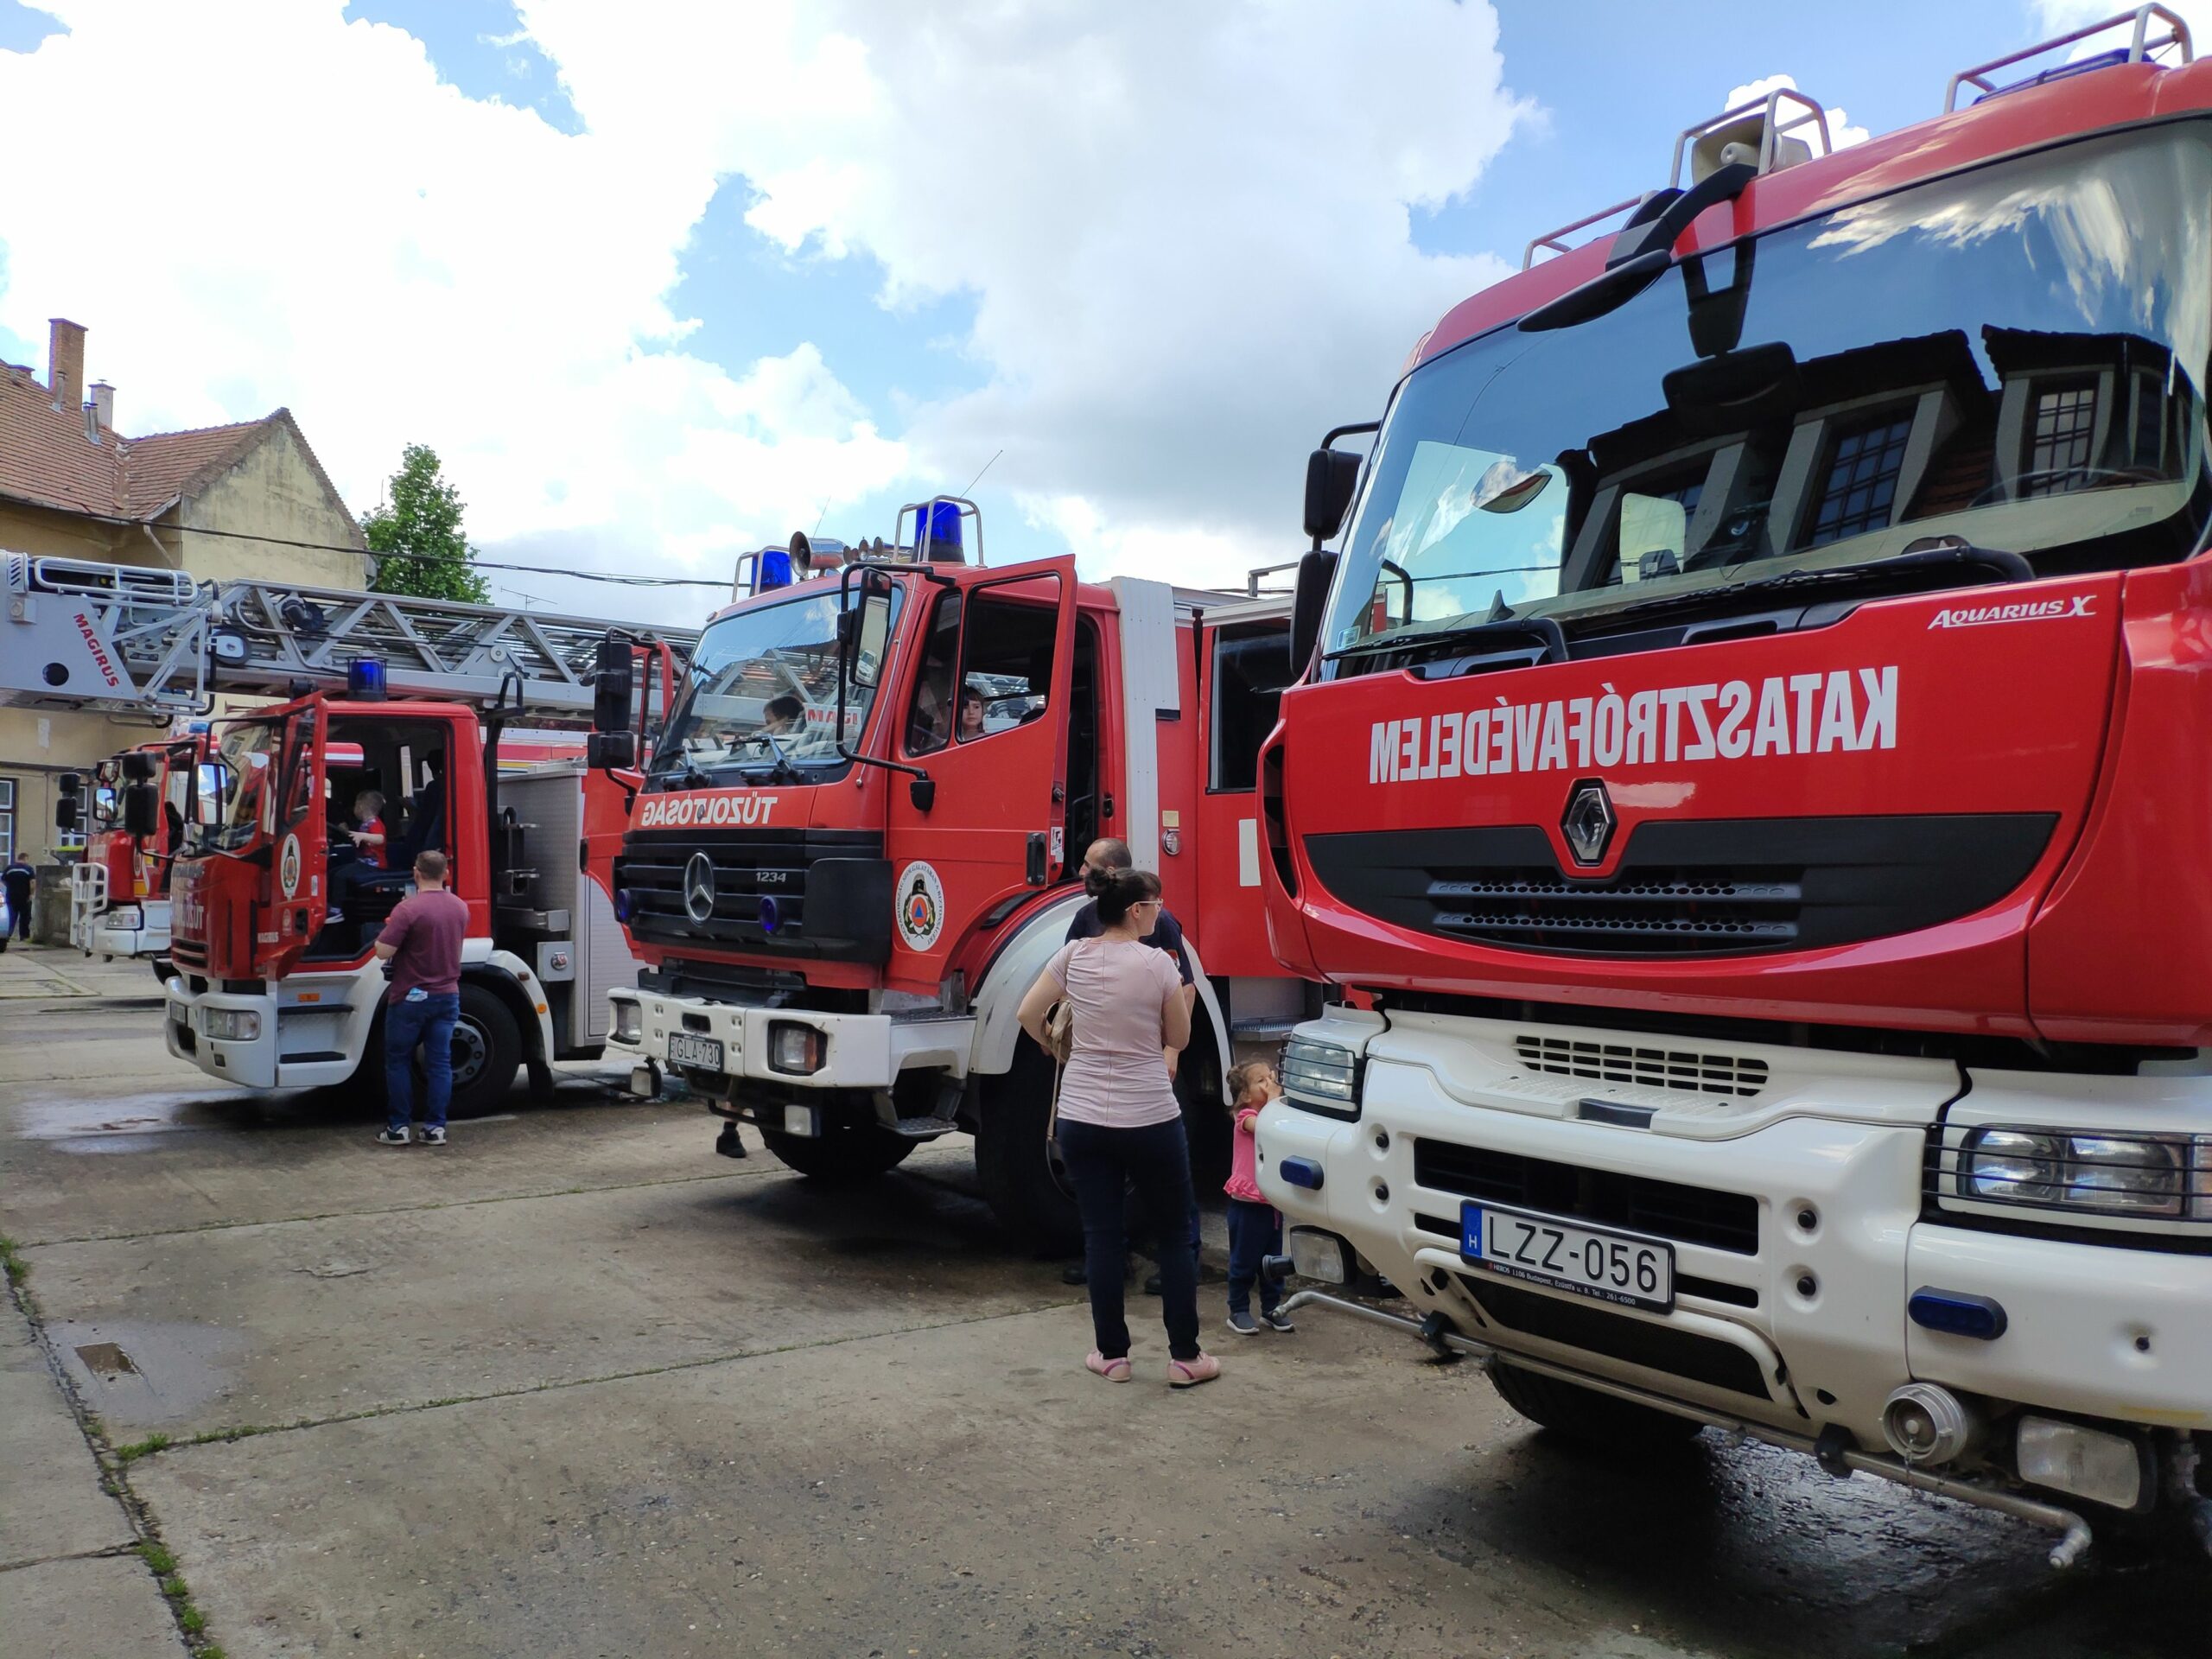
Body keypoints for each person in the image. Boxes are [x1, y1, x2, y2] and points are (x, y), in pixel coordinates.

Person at [1020, 868, 1220, 1388]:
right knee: (1176, 1233)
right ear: (1137, 911)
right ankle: (1185, 1358)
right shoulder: (1156, 963)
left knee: (1101, 1235)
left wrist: (1052, 1041)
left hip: (1082, 1116)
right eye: (1156, 905)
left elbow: (1026, 1011)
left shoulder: (1073, 955)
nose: (1160, 913)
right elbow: (1178, 1032)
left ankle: (1112, 1355)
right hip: (1149, 1115)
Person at [1060, 837, 1200, 1296]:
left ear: (1111, 870)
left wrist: (1172, 1054)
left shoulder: (1161, 923)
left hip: (1152, 1064)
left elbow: (1185, 988)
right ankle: (1110, 1258)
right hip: (1101, 1070)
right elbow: (1068, 989)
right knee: (1106, 1180)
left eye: (1088, 865)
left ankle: (1181, 1257)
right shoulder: (1085, 919)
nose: (1081, 872)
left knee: (1167, 1176)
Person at [372, 849, 468, 1147]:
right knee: (440, 1062)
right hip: (447, 995)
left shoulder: (408, 910)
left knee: (398, 1061)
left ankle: (399, 1128)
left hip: (412, 996)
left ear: (416, 873)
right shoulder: (460, 907)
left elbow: (382, 951)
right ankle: (435, 1128)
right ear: (445, 874)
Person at [1222, 1059, 1294, 1336]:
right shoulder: (1246, 1118)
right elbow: (1262, 1127)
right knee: (1243, 1261)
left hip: (1271, 1204)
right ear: (1244, 1095)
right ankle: (1238, 1309)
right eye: (1261, 1081)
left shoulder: (1273, 1115)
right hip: (1247, 1206)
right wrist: (1275, 1102)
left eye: (1271, 1078)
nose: (1270, 1084)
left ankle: (1271, 1308)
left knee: (1272, 1262)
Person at [347, 790, 387, 871]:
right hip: (364, 863)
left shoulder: (375, 823)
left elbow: (380, 838)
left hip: (374, 865)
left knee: (340, 876)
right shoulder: (365, 823)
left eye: (355, 805)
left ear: (360, 806)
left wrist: (362, 836)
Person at [2, 853, 32, 944]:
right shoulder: (28, 869)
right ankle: (24, 936)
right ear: (25, 858)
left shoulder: (9, 868)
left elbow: (3, 880)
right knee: (25, 917)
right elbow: (33, 882)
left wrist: (9, 887)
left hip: (11, 896)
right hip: (24, 896)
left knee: (11, 916)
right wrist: (31, 893)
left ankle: (8, 935)